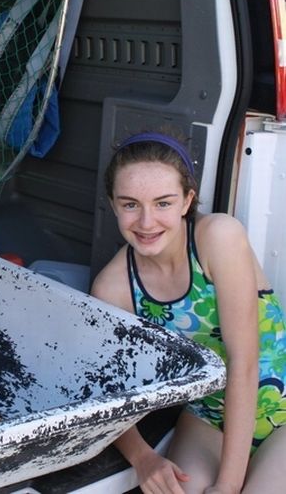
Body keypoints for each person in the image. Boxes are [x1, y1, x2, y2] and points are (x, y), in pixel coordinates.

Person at [91, 130, 286, 494]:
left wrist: (227, 486)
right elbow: (108, 393)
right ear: (113, 204)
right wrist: (143, 458)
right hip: (208, 418)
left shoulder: (218, 238)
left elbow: (243, 362)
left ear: (187, 201)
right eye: (131, 204)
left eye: (163, 203)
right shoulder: (113, 287)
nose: (147, 222)